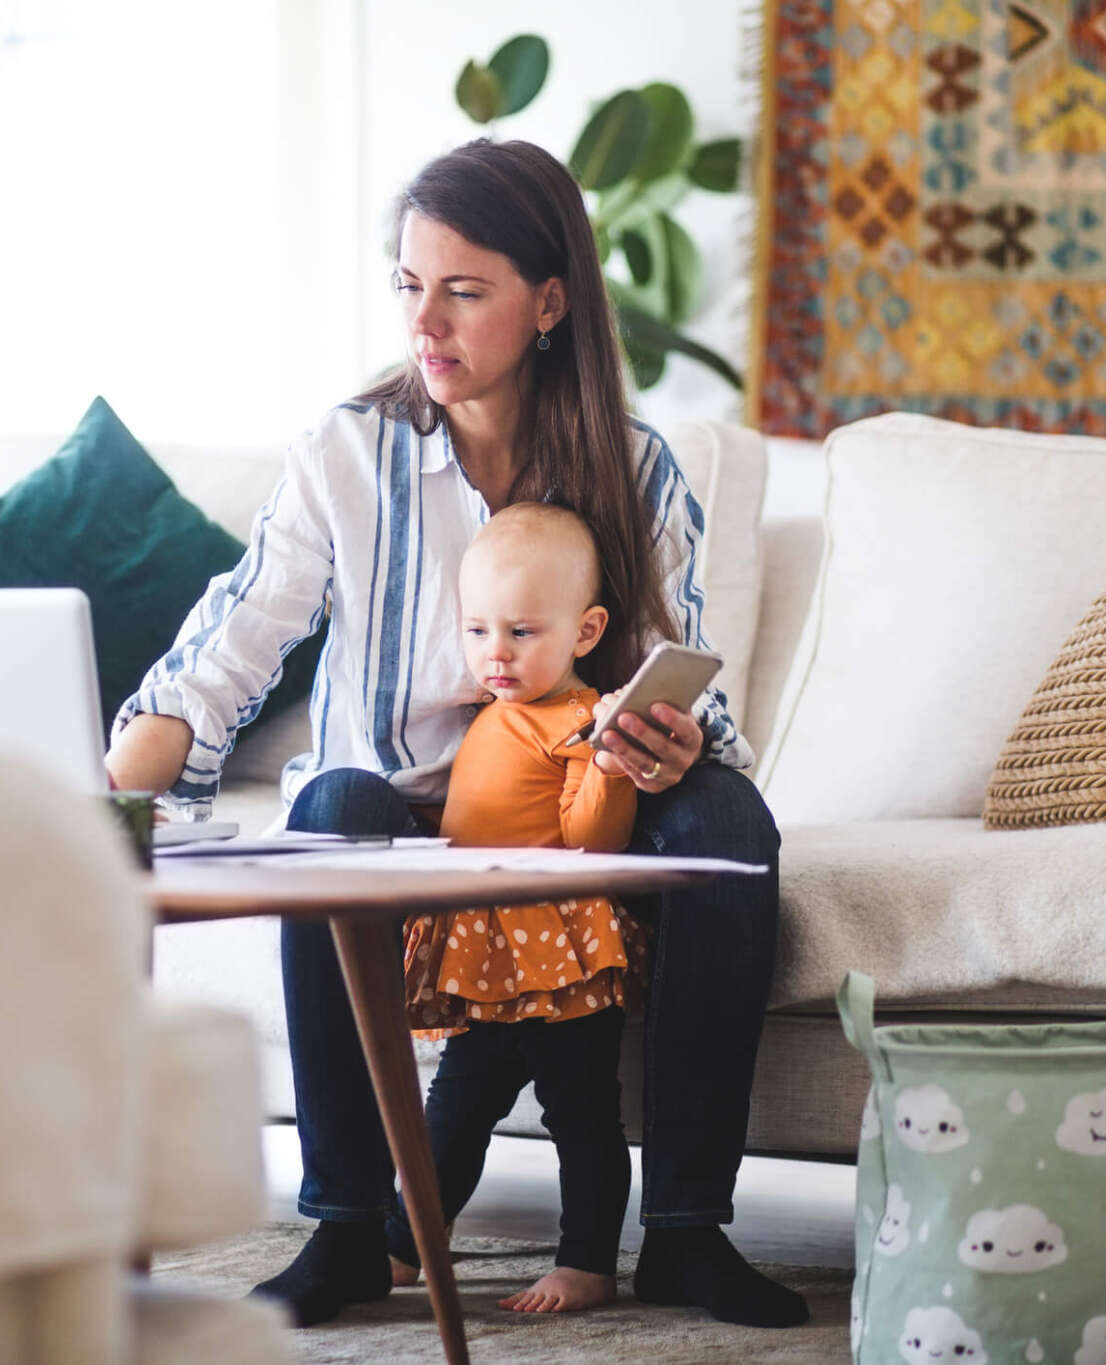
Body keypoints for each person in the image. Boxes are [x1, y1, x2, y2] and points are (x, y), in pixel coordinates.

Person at [104, 138, 801, 1331]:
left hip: (574, 810)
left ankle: (687, 1231)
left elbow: (682, 690)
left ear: (547, 303)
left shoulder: (636, 471)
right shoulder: (345, 453)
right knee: (326, 810)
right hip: (400, 811)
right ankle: (342, 1230)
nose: (424, 323)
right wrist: (102, 795)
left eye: (462, 291)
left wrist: (671, 744)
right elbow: (222, 658)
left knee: (730, 819)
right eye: (408, 285)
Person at [391, 501, 648, 1315]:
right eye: (478, 631)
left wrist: (608, 755)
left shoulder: (578, 720)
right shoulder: (489, 718)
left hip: (559, 944)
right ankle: (404, 1243)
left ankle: (588, 1261)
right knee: (457, 1104)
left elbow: (591, 837)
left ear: (584, 630)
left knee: (579, 1107)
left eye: (522, 633)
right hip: (484, 945)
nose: (495, 653)